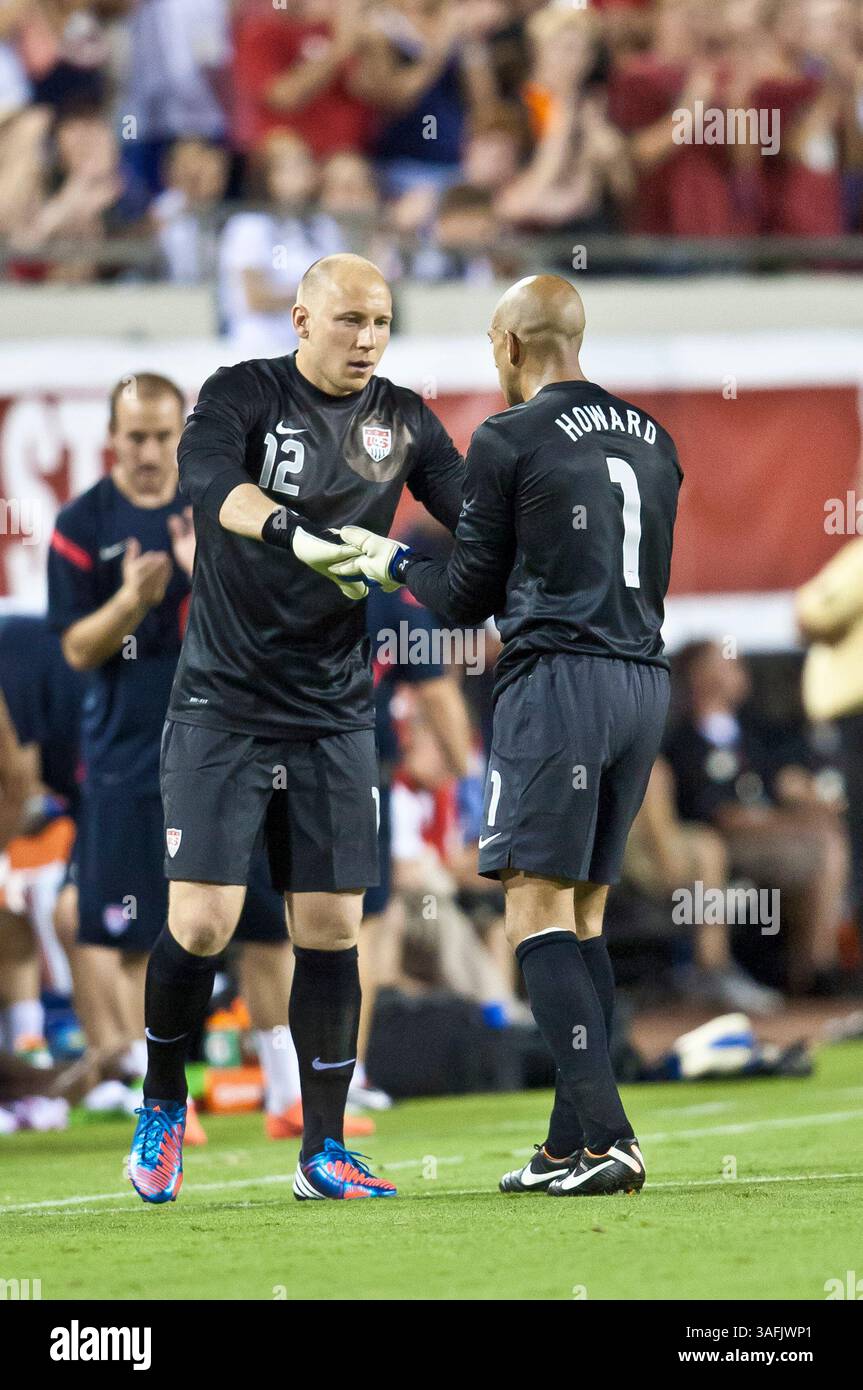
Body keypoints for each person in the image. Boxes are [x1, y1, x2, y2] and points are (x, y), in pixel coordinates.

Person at [130, 252, 465, 1204]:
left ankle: (323, 1150)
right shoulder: (240, 393)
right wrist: (296, 534)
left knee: (330, 928)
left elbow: (474, 517)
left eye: (382, 323)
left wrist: (410, 566)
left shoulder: (402, 420)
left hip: (329, 709)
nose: (367, 339)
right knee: (200, 923)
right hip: (223, 704)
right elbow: (211, 488)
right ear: (300, 318)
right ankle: (162, 1104)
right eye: (350, 319)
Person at [338, 272, 682, 1196]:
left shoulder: (507, 435)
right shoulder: (654, 438)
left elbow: (464, 596)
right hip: (643, 681)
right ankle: (568, 1143)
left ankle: (609, 1138)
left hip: (558, 682)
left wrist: (389, 561)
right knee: (585, 916)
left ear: (511, 343)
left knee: (533, 910)